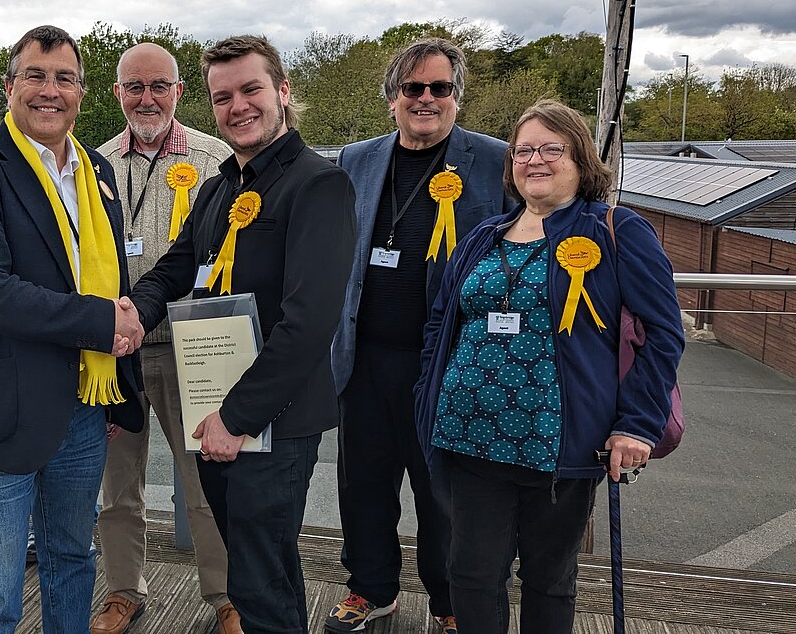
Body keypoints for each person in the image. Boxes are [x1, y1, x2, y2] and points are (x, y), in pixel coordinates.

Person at [414, 99, 685, 633]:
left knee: (549, 580)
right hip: (469, 441)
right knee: (469, 576)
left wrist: (636, 424)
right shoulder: (482, 236)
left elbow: (662, 334)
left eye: (551, 149)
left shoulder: (616, 230)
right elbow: (441, 323)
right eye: (523, 150)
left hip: (561, 448)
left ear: (581, 159)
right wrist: (429, 392)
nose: (534, 160)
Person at [130, 35, 356, 634]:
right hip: (215, 407)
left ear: (282, 91)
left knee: (262, 576)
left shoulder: (317, 185)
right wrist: (129, 314)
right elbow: (176, 269)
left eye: (251, 89)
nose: (238, 107)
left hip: (269, 419)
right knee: (253, 572)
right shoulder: (217, 187)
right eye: (222, 96)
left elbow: (309, 322)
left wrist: (237, 418)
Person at [0, 25, 145, 633]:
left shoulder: (96, 168)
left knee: (73, 559)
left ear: (82, 91)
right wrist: (102, 324)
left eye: (64, 78)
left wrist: (116, 380)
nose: (50, 90)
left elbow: (109, 276)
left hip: (81, 405)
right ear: (9, 87)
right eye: (36, 75)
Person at [326, 38, 513, 634]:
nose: (426, 99)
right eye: (413, 89)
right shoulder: (355, 159)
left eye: (440, 88)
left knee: (446, 497)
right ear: (393, 98)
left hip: (450, 362)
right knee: (363, 487)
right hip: (365, 358)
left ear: (457, 96)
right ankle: (370, 589)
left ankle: (450, 602)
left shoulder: (495, 161)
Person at [92, 42, 237, 634]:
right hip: (115, 351)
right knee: (116, 488)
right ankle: (124, 590)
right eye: (134, 87)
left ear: (179, 91)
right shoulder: (90, 162)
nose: (146, 98)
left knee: (205, 481)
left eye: (159, 86)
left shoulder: (217, 159)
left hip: (193, 348)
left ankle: (226, 598)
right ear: (118, 93)